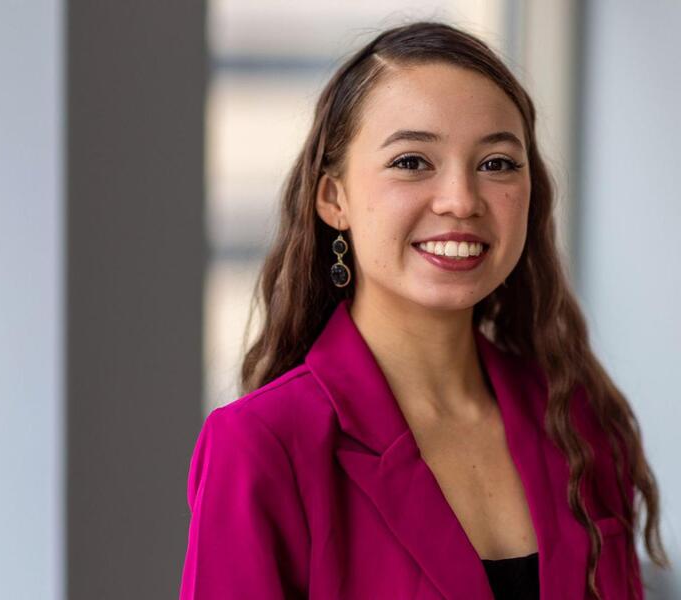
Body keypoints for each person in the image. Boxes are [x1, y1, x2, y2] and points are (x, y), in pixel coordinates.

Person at [179, 21, 669, 599]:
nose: (461, 199)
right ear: (333, 198)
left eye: (496, 164)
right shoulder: (262, 446)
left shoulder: (580, 422)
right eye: (412, 162)